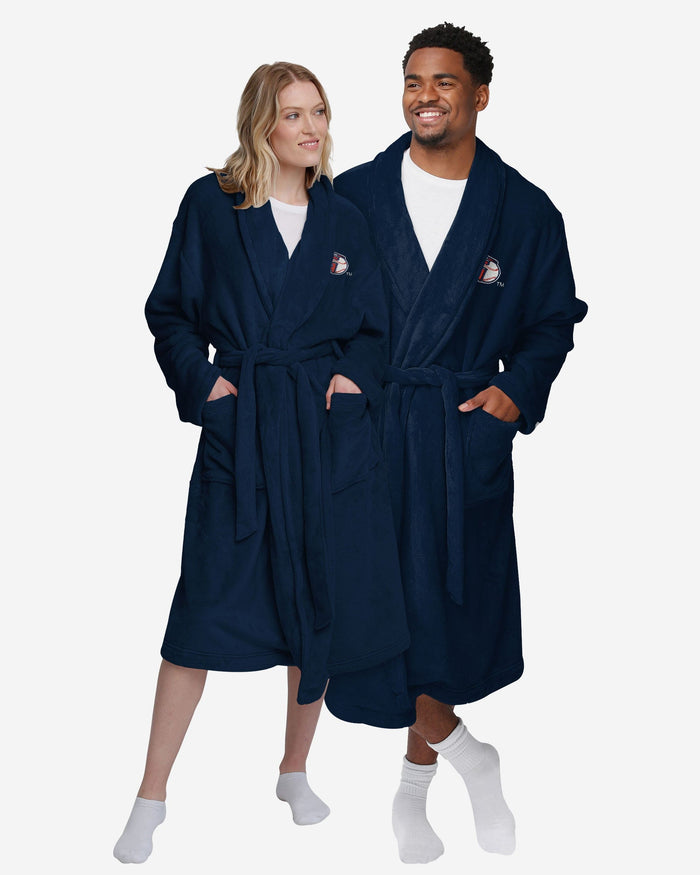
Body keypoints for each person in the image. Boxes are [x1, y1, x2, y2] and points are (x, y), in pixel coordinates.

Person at [113, 61, 408, 864]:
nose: (311, 128)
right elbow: (169, 311)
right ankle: (150, 793)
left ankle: (294, 769)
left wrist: (353, 382)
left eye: (320, 112)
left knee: (317, 601)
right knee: (201, 613)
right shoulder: (212, 205)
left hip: (321, 433)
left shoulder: (343, 218)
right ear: (261, 124)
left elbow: (375, 329)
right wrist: (209, 389)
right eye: (293, 114)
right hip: (242, 430)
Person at [324, 23, 588, 863]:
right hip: (367, 433)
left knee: (433, 618)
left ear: (480, 94)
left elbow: (552, 320)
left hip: (455, 433)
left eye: (443, 81)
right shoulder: (354, 195)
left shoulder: (523, 209)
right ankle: (470, 756)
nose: (425, 95)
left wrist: (514, 394)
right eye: (413, 80)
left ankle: (410, 794)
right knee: (370, 618)